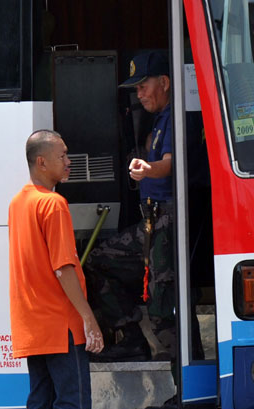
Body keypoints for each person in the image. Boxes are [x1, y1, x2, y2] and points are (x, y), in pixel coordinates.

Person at [9, 130, 104, 409]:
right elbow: (64, 267)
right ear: (41, 162)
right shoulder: (53, 205)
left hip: (32, 325)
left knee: (39, 407)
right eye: (62, 155)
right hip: (61, 324)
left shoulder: (18, 203)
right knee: (72, 407)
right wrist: (89, 318)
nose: (69, 160)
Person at [85, 51, 175, 365]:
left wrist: (147, 169)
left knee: (166, 302)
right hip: (150, 222)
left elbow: (169, 164)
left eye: (142, 85)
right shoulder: (158, 120)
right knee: (98, 261)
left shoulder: (176, 118)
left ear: (164, 82)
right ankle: (131, 338)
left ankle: (185, 392)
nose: (138, 93)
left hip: (167, 223)